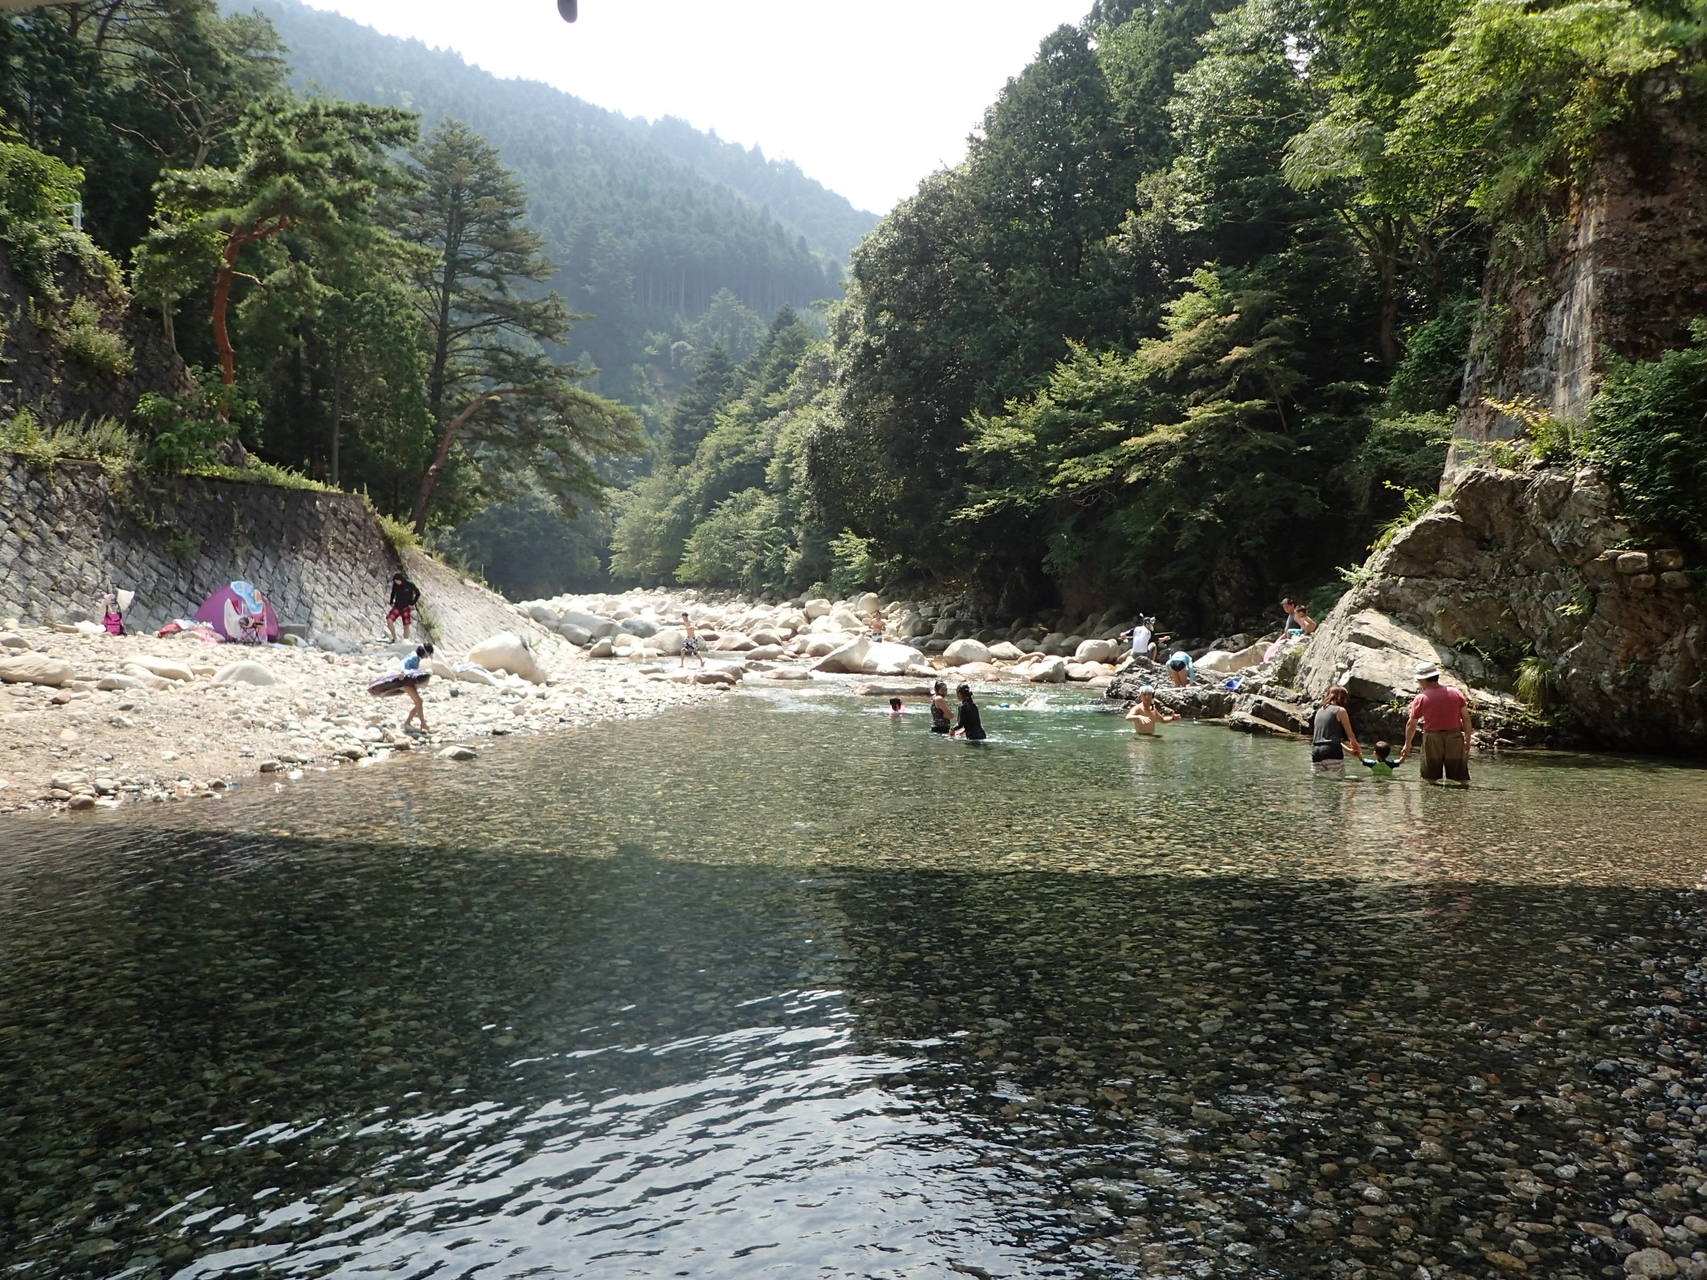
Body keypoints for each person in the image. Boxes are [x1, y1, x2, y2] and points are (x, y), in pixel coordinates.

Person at [1399, 662, 1472, 785]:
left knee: (1430, 778)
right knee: (1460, 777)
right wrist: (1467, 739)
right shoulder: (1455, 692)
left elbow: (1411, 724)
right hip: (1454, 737)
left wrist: (1407, 744)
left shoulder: (1421, 698)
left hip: (1432, 738)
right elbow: (1466, 718)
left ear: (1422, 680)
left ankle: (1431, 802)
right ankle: (1460, 802)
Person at [1310, 684, 1363, 777]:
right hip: (1332, 752)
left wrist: (1349, 751)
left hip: (1316, 751)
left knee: (1318, 781)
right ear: (1343, 698)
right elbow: (1351, 736)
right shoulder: (1341, 711)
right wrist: (1357, 750)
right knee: (1339, 780)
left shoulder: (1320, 710)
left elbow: (1327, 739)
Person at [400, 642, 434, 734]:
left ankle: (408, 722)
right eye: (427, 655)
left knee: (419, 702)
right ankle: (422, 724)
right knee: (419, 702)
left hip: (408, 682)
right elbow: (403, 664)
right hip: (406, 682)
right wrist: (403, 672)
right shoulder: (414, 657)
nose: (427, 657)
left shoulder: (414, 656)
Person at [387, 573, 421, 642]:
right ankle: (394, 638)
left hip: (406, 607)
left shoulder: (409, 585)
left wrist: (412, 603)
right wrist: (391, 602)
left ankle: (405, 641)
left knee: (406, 625)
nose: (396, 582)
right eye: (395, 581)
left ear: (401, 580)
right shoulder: (395, 585)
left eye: (397, 581)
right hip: (397, 606)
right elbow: (393, 593)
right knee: (389, 620)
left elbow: (418, 593)